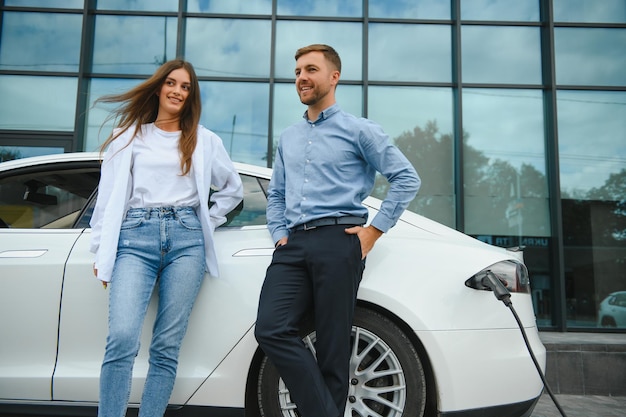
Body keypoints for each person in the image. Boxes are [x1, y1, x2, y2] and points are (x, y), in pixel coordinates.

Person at [254, 44, 421, 417]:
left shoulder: (360, 130)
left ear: (334, 76)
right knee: (270, 328)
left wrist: (374, 231)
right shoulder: (289, 137)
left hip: (338, 240)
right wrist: (280, 234)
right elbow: (277, 194)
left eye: (310, 70)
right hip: (293, 245)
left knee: (333, 350)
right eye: (297, 71)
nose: (301, 78)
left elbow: (406, 178)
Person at [89, 59, 243, 417]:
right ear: (159, 87)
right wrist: (100, 253)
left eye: (185, 87)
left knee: (166, 345)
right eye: (171, 83)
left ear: (191, 96)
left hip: (186, 243)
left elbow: (232, 190)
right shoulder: (129, 137)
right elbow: (108, 198)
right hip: (135, 239)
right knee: (123, 338)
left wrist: (206, 221)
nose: (177, 91)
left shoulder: (204, 140)